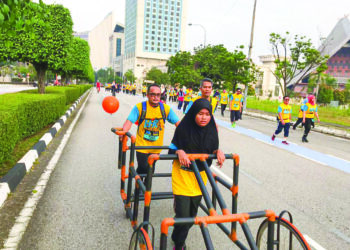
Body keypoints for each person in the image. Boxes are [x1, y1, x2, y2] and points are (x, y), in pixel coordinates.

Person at [169, 99, 225, 250]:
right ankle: (179, 245)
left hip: (200, 177)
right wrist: (179, 151)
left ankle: (176, 235)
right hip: (182, 175)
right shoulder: (183, 128)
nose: (204, 117)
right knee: (183, 216)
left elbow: (212, 148)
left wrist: (217, 152)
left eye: (207, 114)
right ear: (194, 113)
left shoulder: (212, 129)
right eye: (200, 114)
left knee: (191, 216)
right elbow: (171, 149)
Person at [121, 83, 180, 175]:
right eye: (153, 94)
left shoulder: (165, 109)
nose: (156, 97)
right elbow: (129, 121)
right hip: (142, 146)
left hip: (156, 147)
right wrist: (123, 133)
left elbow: (178, 124)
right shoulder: (140, 107)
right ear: (147, 95)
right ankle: (138, 188)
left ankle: (145, 187)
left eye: (158, 95)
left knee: (151, 169)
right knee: (143, 167)